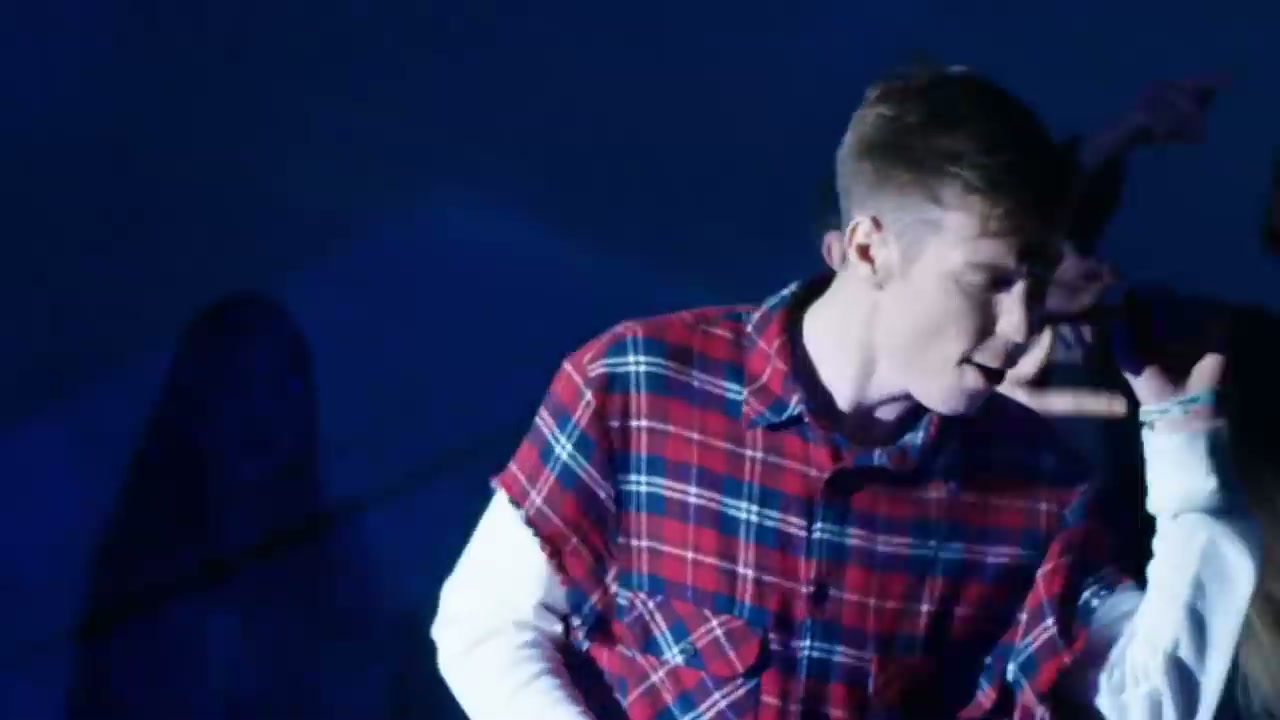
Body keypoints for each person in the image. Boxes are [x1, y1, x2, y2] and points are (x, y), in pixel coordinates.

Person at [432, 66, 1259, 719]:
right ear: (868, 248)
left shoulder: (1036, 486)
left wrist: (1190, 459)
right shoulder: (639, 385)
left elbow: (1152, 701)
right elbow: (489, 624)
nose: (1020, 324)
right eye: (989, 281)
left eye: (1035, 283)